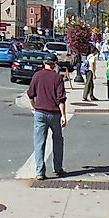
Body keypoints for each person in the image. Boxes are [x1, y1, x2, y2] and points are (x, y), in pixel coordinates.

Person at [27, 52, 67, 180]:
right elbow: (61, 99)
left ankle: (40, 172)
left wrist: (34, 107)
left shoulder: (37, 76)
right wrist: (63, 115)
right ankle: (58, 168)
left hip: (40, 112)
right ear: (54, 64)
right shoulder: (58, 78)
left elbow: (30, 94)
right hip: (54, 113)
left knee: (39, 143)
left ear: (44, 63)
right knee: (58, 140)